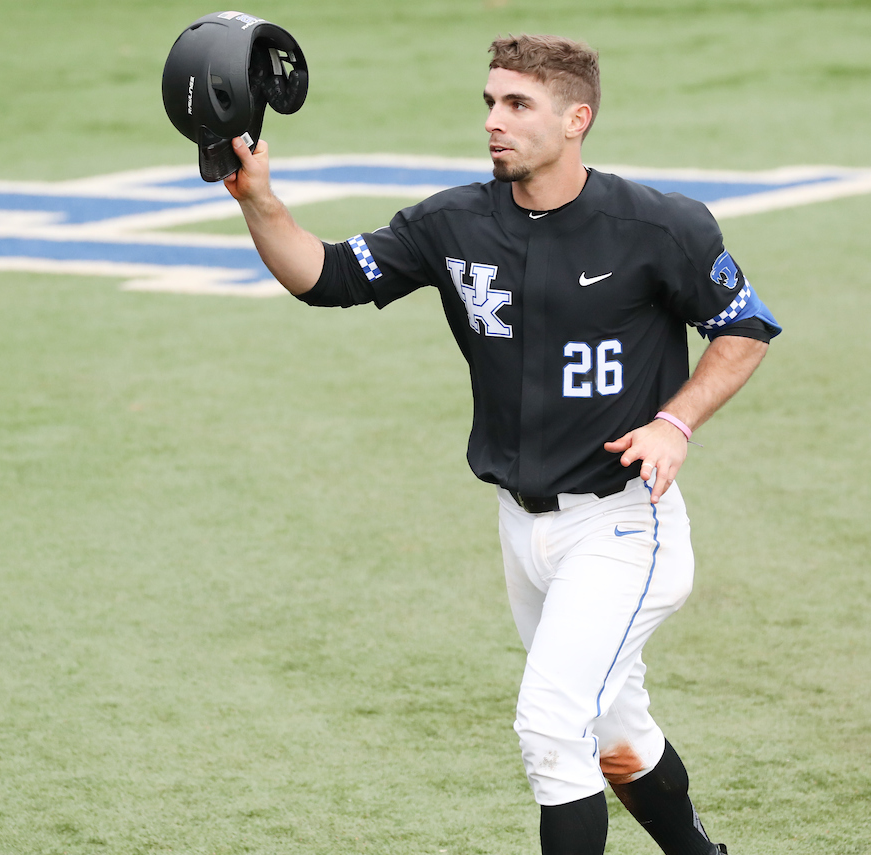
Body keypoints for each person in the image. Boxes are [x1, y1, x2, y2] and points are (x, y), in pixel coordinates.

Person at [223, 32, 780, 855]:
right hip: (523, 530)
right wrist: (257, 202)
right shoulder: (453, 223)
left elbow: (745, 330)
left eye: (518, 104)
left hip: (626, 526)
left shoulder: (657, 226)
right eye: (490, 101)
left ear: (575, 118)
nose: (494, 120)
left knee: (552, 726)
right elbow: (329, 277)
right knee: (616, 731)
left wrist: (675, 421)